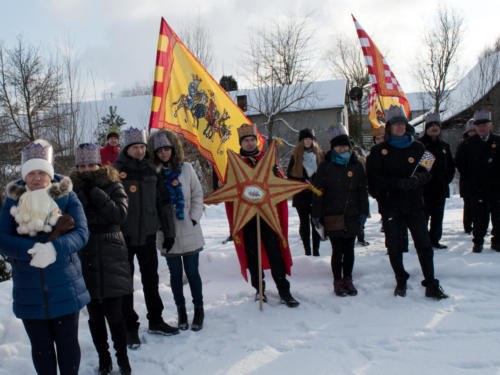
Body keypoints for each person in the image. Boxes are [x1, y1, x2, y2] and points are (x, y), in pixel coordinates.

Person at [0, 139, 90, 375]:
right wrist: (30, 251)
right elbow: (2, 238)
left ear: (50, 174)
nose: (37, 178)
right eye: (31, 173)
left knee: (68, 344)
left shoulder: (68, 197)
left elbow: (82, 233)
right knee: (41, 348)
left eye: (42, 172)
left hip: (65, 284)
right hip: (29, 288)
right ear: (24, 176)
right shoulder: (13, 200)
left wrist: (53, 249)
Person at [366, 105, 448, 299]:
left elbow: (428, 171)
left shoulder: (419, 147)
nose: (400, 127)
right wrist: (396, 185)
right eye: (396, 124)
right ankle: (400, 279)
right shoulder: (378, 151)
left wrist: (416, 181)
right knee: (394, 246)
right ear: (389, 128)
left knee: (424, 244)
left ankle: (431, 282)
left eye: (403, 124)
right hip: (391, 206)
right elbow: (374, 181)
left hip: (415, 205)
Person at [114, 127, 179, 350]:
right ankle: (130, 327)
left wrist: (169, 232)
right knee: (126, 284)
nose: (140, 151)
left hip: (149, 235)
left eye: (142, 146)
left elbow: (163, 203)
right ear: (127, 148)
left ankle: (156, 319)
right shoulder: (116, 171)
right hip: (124, 236)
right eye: (135, 147)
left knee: (151, 280)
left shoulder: (153, 169)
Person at [71, 144, 132, 375]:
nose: (87, 170)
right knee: (95, 317)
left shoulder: (113, 184)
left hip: (111, 255)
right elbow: (73, 221)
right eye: (82, 166)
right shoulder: (72, 190)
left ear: (99, 164)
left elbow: (119, 214)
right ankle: (104, 359)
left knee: (115, 315)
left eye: (91, 164)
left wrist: (95, 192)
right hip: (85, 255)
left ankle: (123, 359)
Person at [226, 123, 299, 307]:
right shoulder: (235, 164)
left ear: (256, 141)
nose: (250, 144)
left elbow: (279, 186)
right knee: (253, 257)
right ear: (241, 144)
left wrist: (277, 176)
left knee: (275, 254)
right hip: (248, 218)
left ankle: (284, 291)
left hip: (268, 216)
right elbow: (230, 190)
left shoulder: (267, 160)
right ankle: (260, 290)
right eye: (246, 141)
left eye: (252, 140)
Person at [148, 130, 206, 331]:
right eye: (160, 151)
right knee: (175, 275)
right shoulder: (153, 173)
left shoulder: (187, 169)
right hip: (166, 232)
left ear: (173, 150)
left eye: (167, 149)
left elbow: (198, 194)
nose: (164, 153)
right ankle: (181, 310)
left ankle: (199, 309)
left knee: (192, 273)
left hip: (188, 228)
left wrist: (194, 217)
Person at [312, 125, 369, 296]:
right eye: (338, 146)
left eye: (344, 145)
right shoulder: (325, 166)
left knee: (349, 250)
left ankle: (348, 279)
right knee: (337, 250)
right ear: (333, 148)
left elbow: (362, 189)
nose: (342, 148)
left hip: (352, 214)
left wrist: (364, 212)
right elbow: (317, 192)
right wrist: (316, 215)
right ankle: (337, 280)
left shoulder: (356, 165)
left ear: (349, 147)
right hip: (333, 214)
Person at [455, 110, 500, 253]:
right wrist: (471, 179)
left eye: (485, 125)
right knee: (479, 218)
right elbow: (460, 164)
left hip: (496, 187)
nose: (482, 128)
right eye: (479, 125)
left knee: (498, 217)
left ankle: (497, 241)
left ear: (490, 126)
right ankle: (478, 242)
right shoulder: (467, 144)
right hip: (477, 188)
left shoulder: (498, 142)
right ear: (475, 127)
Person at [419, 113, 455, 249]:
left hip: (440, 188)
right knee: (423, 217)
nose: (434, 128)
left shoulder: (444, 146)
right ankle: (423, 241)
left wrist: (446, 180)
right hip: (425, 189)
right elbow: (422, 168)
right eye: (431, 126)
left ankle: (435, 239)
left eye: (436, 126)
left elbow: (451, 166)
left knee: (438, 217)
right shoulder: (421, 145)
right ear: (427, 128)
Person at [286, 128, 323, 256]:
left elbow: (324, 173)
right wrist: (301, 181)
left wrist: (317, 184)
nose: (307, 142)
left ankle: (316, 250)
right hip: (301, 193)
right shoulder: (296, 155)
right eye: (305, 139)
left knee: (316, 222)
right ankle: (307, 250)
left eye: (310, 139)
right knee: (304, 223)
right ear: (301, 141)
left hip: (315, 193)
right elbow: (290, 175)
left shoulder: (319, 154)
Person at [458, 119, 476, 234]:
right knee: (468, 204)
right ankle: (468, 225)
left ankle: (477, 224)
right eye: (471, 131)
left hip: (481, 181)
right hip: (467, 180)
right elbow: (459, 162)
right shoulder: (463, 144)